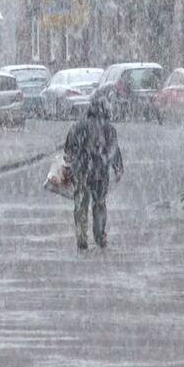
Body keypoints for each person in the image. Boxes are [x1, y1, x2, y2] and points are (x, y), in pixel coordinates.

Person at [64, 95, 123, 253]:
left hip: (81, 172)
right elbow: (114, 150)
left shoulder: (78, 126)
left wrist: (72, 164)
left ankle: (82, 238)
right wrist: (117, 168)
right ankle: (99, 235)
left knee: (81, 206)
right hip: (100, 173)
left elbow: (68, 150)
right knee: (99, 204)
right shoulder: (109, 128)